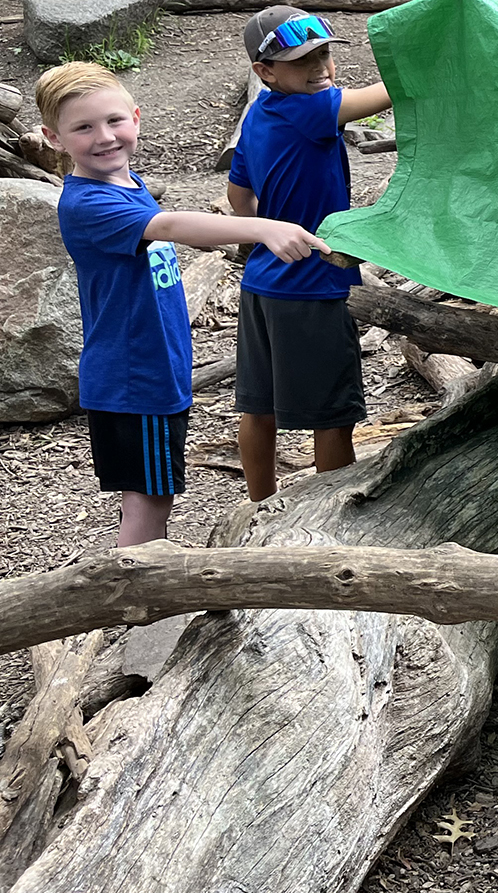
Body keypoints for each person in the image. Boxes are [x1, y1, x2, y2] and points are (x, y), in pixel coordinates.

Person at [36, 61, 327, 547]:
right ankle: (132, 602)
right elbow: (170, 227)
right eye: (83, 128)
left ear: (136, 117)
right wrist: (262, 227)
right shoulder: (87, 203)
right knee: (148, 501)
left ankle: (141, 590)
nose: (104, 137)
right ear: (53, 138)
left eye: (113, 121)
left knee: (157, 493)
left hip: (155, 371)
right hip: (133, 378)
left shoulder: (126, 184)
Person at [227, 6, 391, 502]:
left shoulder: (259, 115)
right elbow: (385, 95)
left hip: (262, 284)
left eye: (324, 54)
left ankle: (258, 504)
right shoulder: (311, 109)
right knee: (333, 417)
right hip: (314, 287)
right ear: (266, 72)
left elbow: (239, 198)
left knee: (259, 408)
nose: (320, 67)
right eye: (302, 61)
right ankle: (331, 515)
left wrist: (268, 230)